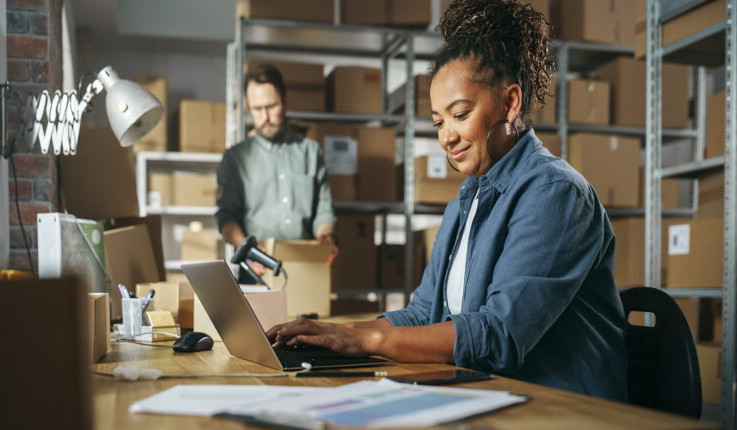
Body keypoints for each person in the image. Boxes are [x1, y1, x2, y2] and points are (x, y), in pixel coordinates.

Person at [267, 0, 628, 401]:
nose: (446, 136)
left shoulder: (555, 194)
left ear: (511, 103)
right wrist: (334, 333)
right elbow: (424, 314)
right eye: (438, 121)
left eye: (460, 114)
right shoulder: (466, 199)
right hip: (490, 394)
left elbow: (499, 336)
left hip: (564, 408)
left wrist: (362, 340)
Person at [217, 64, 337, 276]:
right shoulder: (235, 158)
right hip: (256, 270)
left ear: (285, 101)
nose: (265, 117)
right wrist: (247, 250)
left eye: (271, 106)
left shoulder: (310, 152)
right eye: (256, 109)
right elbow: (227, 218)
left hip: (306, 267)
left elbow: (324, 211)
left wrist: (325, 236)